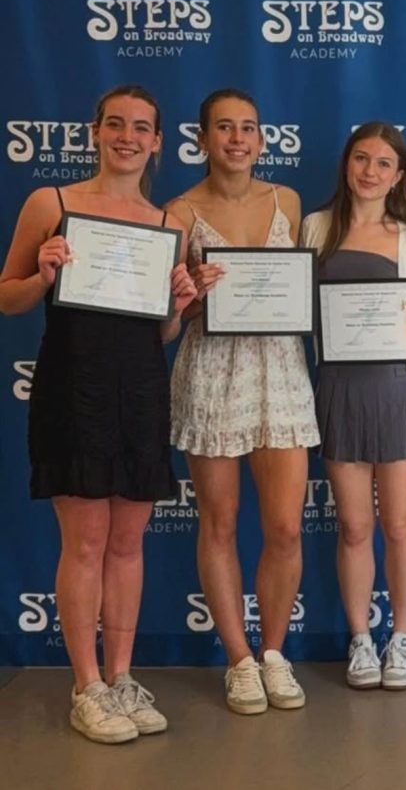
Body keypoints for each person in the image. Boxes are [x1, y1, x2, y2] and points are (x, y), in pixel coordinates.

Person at [0, 85, 195, 743]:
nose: (128, 136)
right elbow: (8, 298)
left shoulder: (170, 225)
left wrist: (181, 303)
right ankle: (84, 684)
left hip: (140, 389)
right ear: (95, 131)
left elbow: (162, 333)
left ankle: (120, 677)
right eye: (116, 124)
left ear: (159, 141)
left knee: (127, 542)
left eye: (142, 127)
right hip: (71, 387)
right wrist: (43, 275)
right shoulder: (51, 204)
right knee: (84, 542)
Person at [167, 89, 319, 715]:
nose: (237, 138)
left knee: (284, 526)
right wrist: (192, 294)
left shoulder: (288, 202)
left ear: (262, 140)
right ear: (201, 139)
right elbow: (168, 318)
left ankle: (275, 653)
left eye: (248, 128)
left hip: (281, 372)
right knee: (220, 523)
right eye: (223, 128)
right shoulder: (176, 214)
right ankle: (238, 660)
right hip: (211, 374)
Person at [302, 122, 406, 690]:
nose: (370, 171)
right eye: (361, 158)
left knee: (401, 523)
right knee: (354, 527)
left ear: (398, 176)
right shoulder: (315, 228)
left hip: (399, 391)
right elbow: (296, 312)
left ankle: (403, 637)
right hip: (340, 391)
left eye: (383, 163)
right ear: (347, 165)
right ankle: (361, 639)